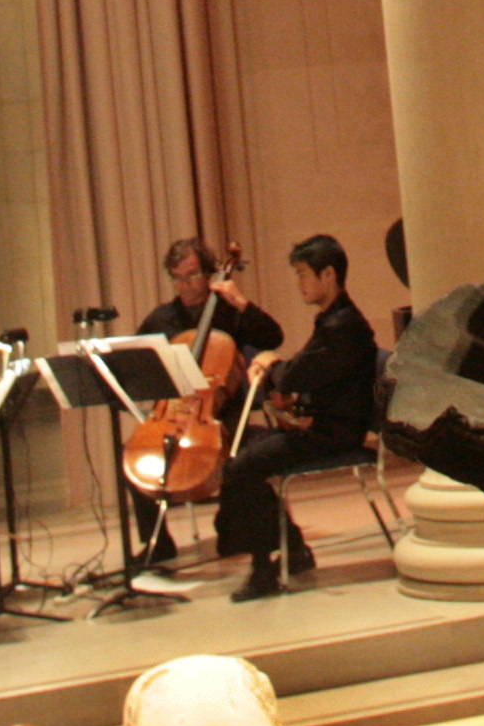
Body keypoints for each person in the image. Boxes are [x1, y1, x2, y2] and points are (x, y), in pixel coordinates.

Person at [220, 236, 379, 602]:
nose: (299, 283)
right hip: (322, 426)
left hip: (334, 435)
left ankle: (264, 569)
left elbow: (295, 374)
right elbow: (312, 373)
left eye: (303, 274)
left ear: (328, 275)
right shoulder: (333, 320)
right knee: (242, 450)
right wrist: (288, 388)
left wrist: (270, 364)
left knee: (242, 467)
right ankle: (293, 550)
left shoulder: (344, 326)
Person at [129, 237, 279, 571]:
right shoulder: (162, 320)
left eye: (193, 275)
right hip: (176, 413)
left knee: (236, 454)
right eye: (178, 278)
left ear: (210, 274)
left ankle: (234, 526)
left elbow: (273, 337)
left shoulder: (228, 312)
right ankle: (157, 543)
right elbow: (138, 366)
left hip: (223, 411)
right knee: (136, 455)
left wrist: (242, 303)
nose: (185, 285)